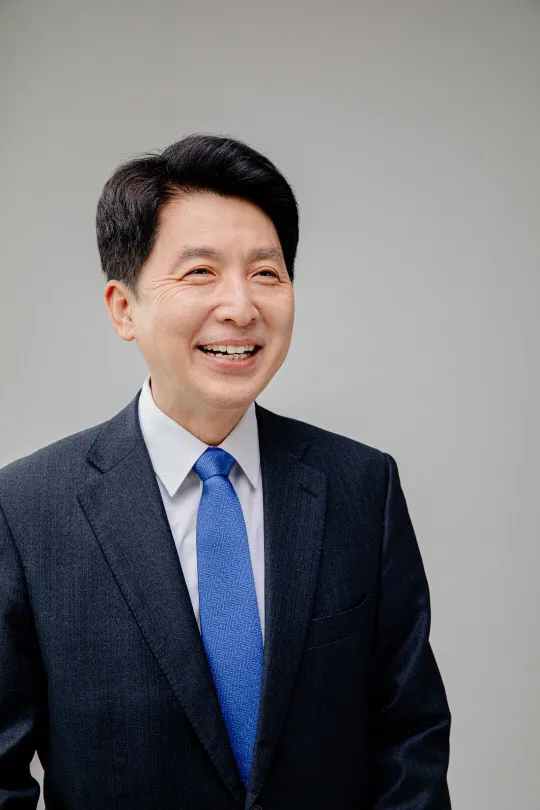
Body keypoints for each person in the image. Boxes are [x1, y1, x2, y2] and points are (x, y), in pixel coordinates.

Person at [0, 133, 452, 809]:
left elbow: (408, 740)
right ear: (124, 308)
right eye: (200, 273)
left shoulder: (361, 487)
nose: (241, 307)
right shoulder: (27, 510)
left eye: (266, 273)